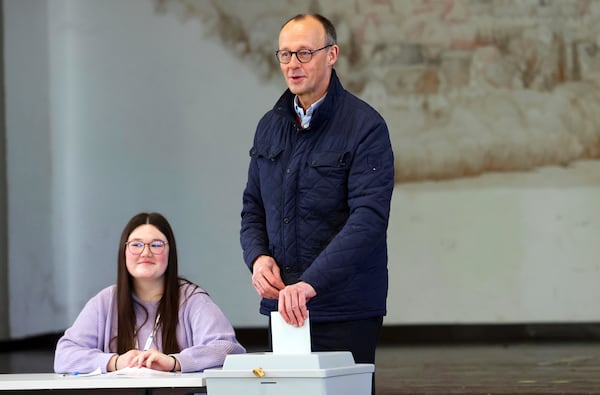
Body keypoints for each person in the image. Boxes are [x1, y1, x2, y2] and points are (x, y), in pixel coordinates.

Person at [240, 13, 394, 370]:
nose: (293, 64)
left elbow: (368, 220)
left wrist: (311, 283)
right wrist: (257, 258)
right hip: (283, 306)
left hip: (345, 308)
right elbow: (253, 208)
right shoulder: (270, 126)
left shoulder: (364, 127)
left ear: (332, 54)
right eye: (285, 54)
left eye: (305, 53)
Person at [54, 212, 245, 374]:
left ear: (170, 253)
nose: (146, 252)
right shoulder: (105, 302)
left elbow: (230, 350)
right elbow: (64, 355)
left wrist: (175, 362)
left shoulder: (192, 300)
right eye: (136, 245)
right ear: (124, 252)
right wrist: (114, 362)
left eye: (156, 245)